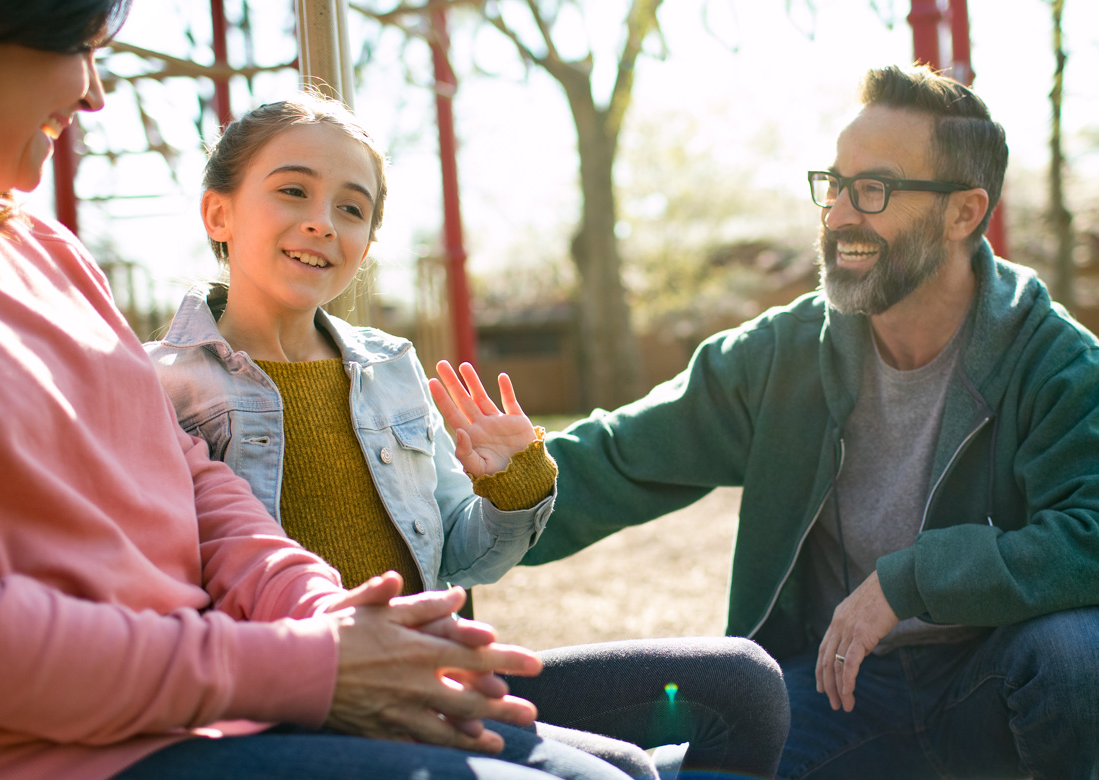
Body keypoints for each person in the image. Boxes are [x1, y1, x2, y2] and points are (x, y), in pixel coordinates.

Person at [0, 2, 658, 778]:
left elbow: (203, 495)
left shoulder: (50, 254)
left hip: (236, 688)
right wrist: (314, 663)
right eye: (78, 45)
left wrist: (337, 618)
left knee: (670, 739)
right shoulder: (158, 366)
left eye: (352, 209)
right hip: (113, 730)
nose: (95, 93)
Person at [488, 65, 1099, 780]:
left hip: (988, 692)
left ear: (964, 212)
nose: (840, 214)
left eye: (872, 189)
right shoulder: (782, 353)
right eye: (833, 184)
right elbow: (621, 456)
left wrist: (910, 582)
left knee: (1088, 659)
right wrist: (470, 504)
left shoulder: (1056, 361)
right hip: (835, 694)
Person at [145, 93, 790, 779]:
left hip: (438, 680)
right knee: (628, 770)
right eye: (293, 191)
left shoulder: (390, 368)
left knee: (742, 684)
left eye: (351, 208)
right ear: (219, 211)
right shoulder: (156, 387)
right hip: (298, 707)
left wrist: (512, 484)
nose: (322, 223)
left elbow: (464, 557)